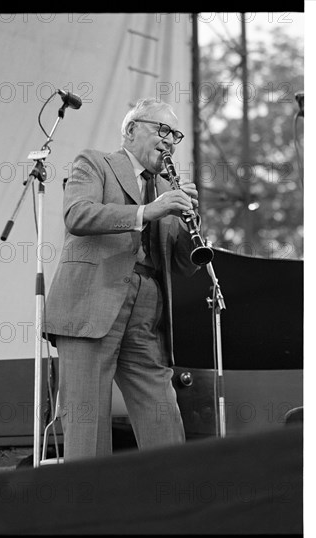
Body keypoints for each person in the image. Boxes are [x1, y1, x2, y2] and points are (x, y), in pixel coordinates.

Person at [44, 97, 200, 461]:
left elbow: (183, 265)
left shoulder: (166, 187)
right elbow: (78, 215)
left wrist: (191, 223)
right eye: (162, 130)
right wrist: (149, 210)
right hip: (90, 302)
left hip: (148, 305)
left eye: (175, 135)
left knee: (163, 413)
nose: (170, 141)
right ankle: (90, 513)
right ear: (131, 130)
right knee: (87, 423)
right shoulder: (94, 163)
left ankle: (173, 504)